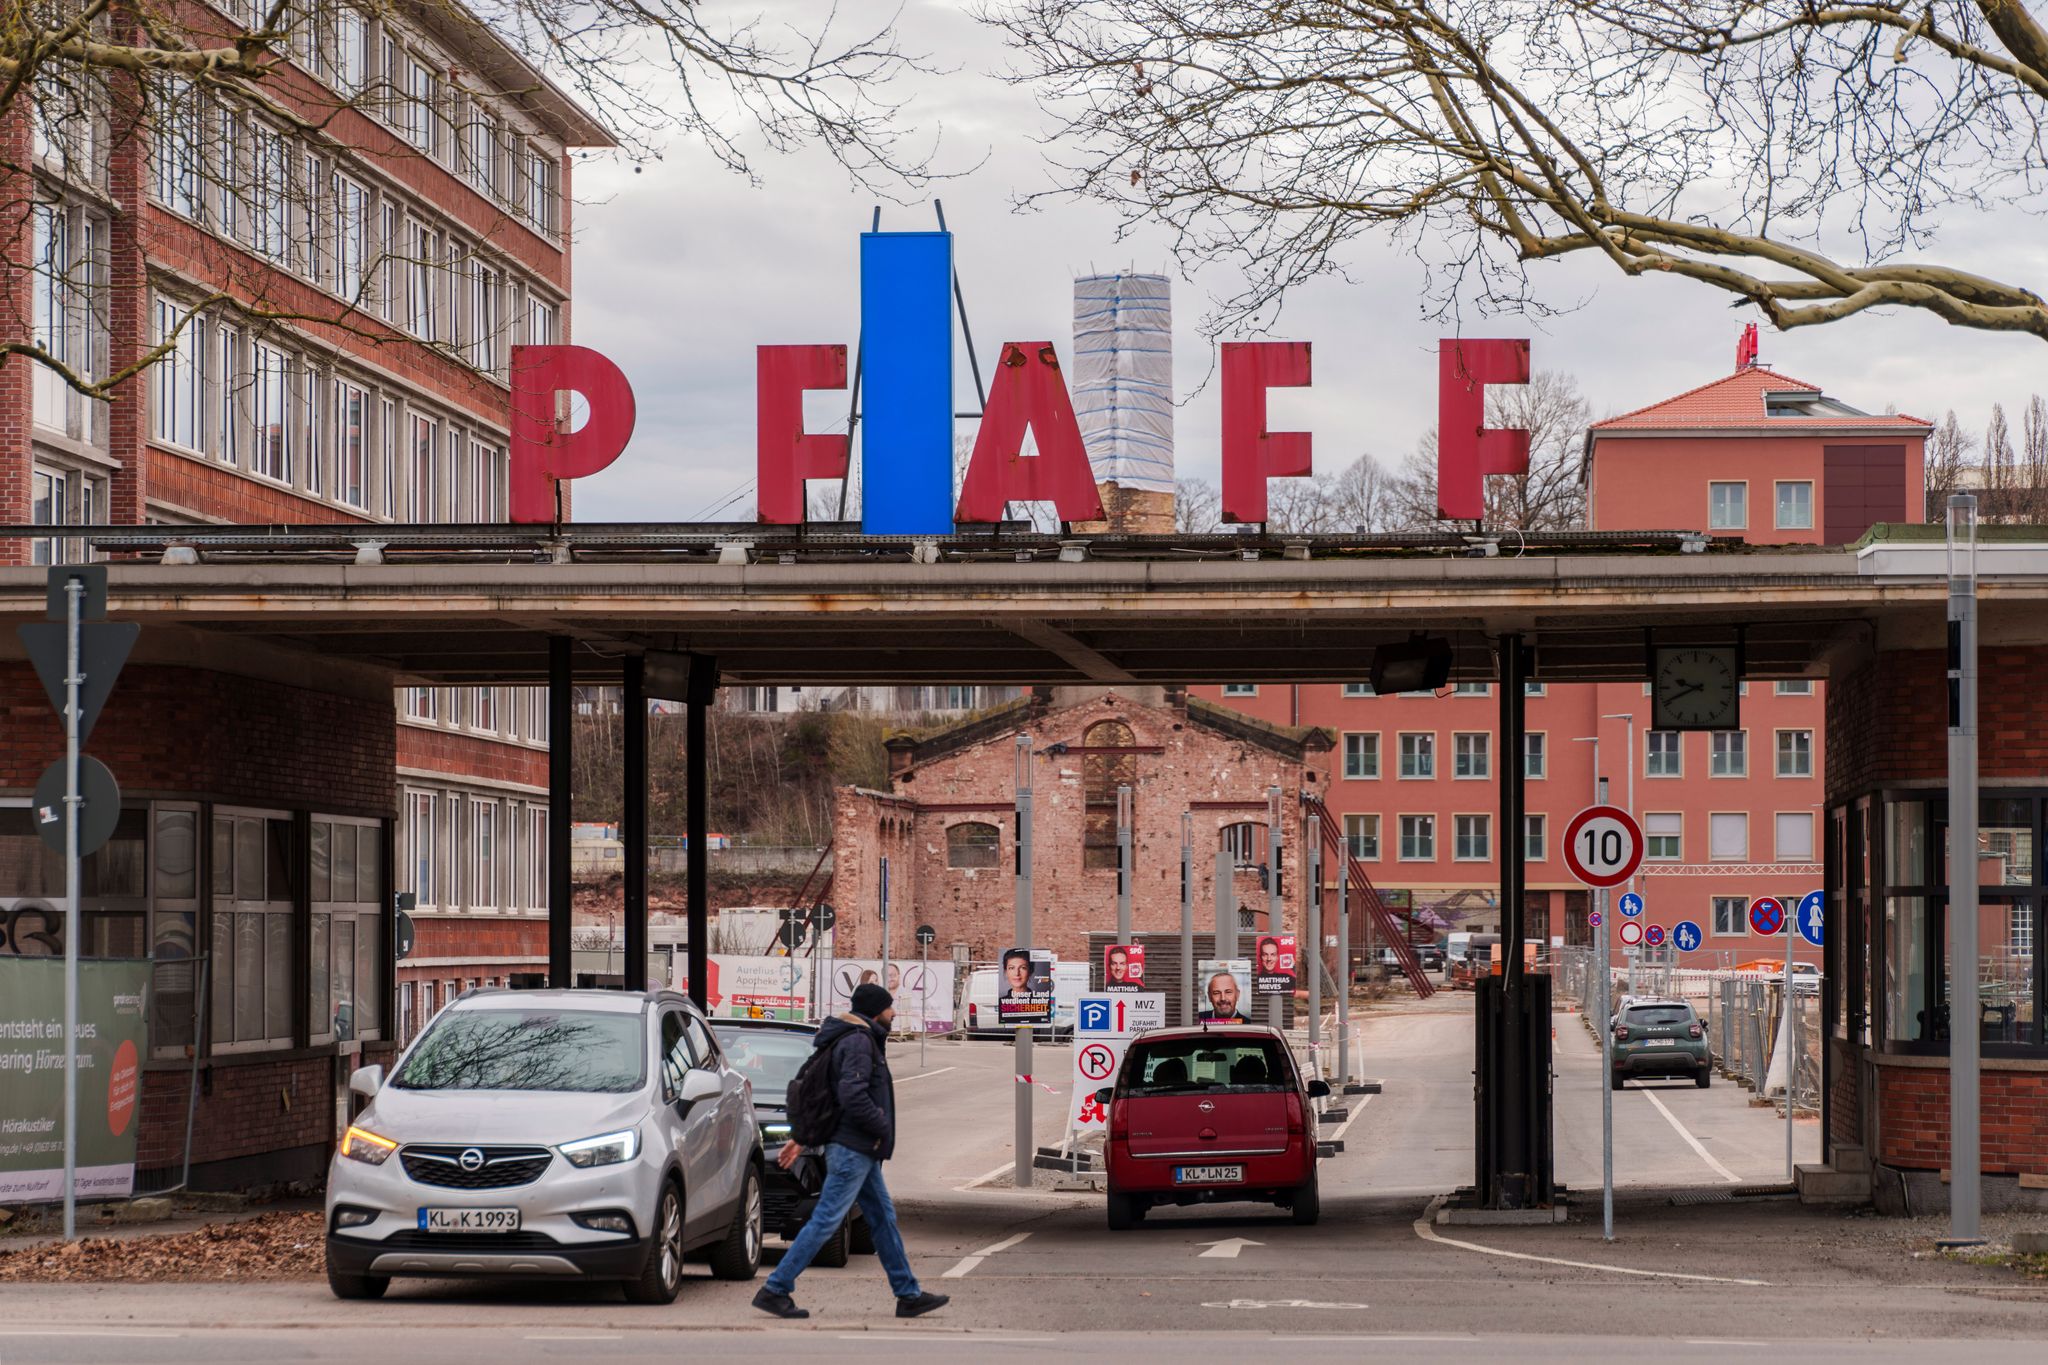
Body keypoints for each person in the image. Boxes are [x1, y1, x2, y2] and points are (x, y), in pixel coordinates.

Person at [753, 983, 948, 1321]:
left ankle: (908, 1294)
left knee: (883, 1220)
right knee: (826, 1220)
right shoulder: (859, 1042)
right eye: (889, 1008)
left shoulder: (857, 1038)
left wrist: (804, 1135)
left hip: (860, 1149)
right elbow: (852, 1095)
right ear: (876, 1010)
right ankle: (776, 1288)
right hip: (852, 1149)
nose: (894, 1013)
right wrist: (881, 1124)